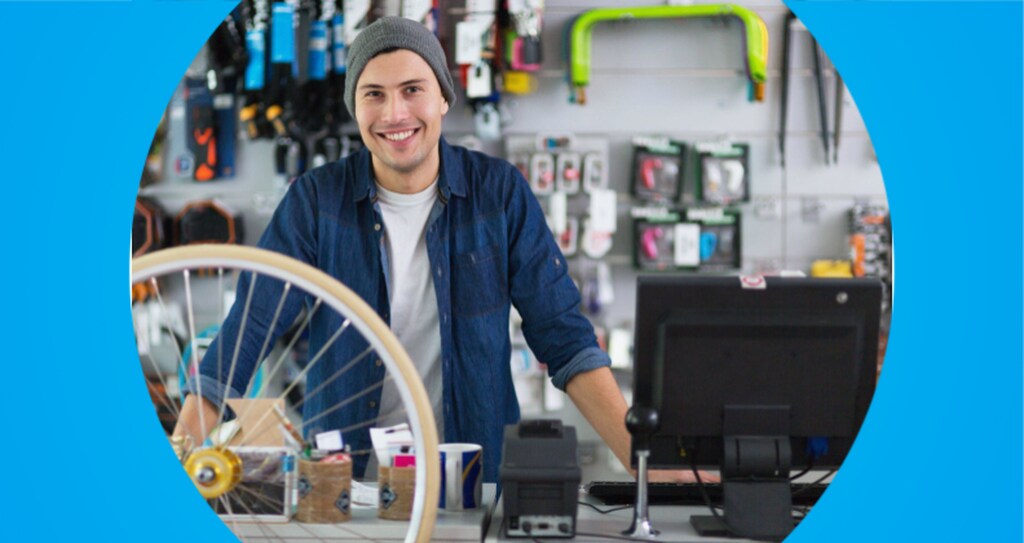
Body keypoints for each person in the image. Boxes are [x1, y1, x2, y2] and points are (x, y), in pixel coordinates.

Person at [173, 16, 697, 484]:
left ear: (444, 97)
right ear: (355, 106)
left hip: (472, 475)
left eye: (412, 89)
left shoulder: (499, 192)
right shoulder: (315, 199)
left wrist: (641, 460)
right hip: (345, 484)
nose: (394, 112)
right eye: (373, 93)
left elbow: (563, 335)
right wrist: (183, 448)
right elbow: (252, 324)